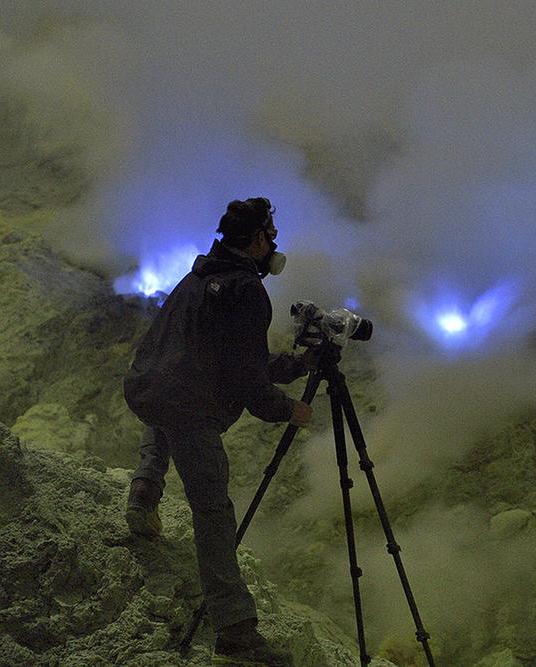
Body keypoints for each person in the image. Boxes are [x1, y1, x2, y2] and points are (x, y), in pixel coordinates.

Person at [122, 197, 313, 666]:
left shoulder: (200, 276)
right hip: (187, 406)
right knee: (212, 511)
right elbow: (247, 379)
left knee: (166, 410)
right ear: (256, 241)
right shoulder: (247, 291)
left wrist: (295, 365)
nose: (274, 244)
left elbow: (229, 357)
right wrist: (287, 409)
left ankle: (144, 492)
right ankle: (235, 633)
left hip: (151, 388)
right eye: (271, 235)